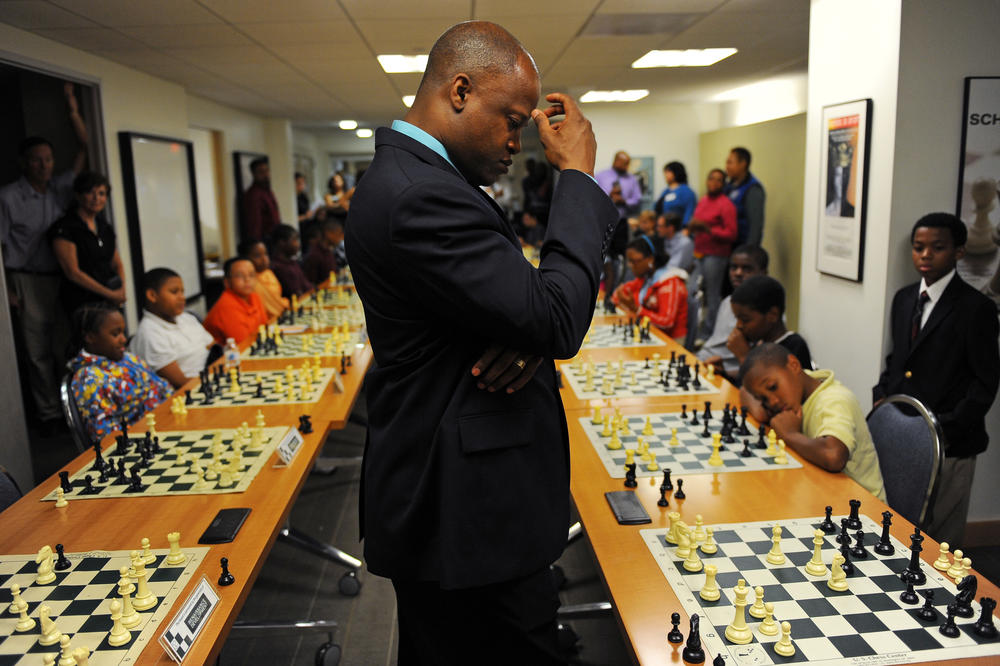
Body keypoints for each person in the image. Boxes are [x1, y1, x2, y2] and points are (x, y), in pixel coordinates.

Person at [344, 20, 618, 665]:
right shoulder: (419, 195)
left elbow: (521, 310)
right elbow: (554, 316)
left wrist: (526, 331)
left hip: (467, 501)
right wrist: (577, 178)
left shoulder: (425, 182)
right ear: (460, 90)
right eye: (511, 120)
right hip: (464, 510)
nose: (517, 143)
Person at [873, 212, 999, 546]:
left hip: (950, 441)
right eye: (918, 247)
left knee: (940, 535)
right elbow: (898, 358)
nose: (925, 255)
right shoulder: (903, 298)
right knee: (897, 521)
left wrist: (949, 424)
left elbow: (985, 381)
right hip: (901, 432)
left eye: (937, 247)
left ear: (959, 251)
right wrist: (883, 394)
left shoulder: (976, 308)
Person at [0, 82, 88, 431]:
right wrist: (7, 290)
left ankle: (70, 409)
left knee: (62, 345)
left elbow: (84, 147)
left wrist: (72, 107)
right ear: (24, 162)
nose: (43, 165)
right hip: (27, 279)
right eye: (36, 160)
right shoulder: (8, 197)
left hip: (62, 278)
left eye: (48, 159)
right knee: (36, 351)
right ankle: (49, 414)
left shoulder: (60, 188)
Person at [741, 343, 886, 501]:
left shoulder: (834, 400)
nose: (772, 402)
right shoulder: (800, 384)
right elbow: (744, 392)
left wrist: (789, 434)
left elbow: (833, 456)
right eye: (763, 399)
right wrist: (762, 410)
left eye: (773, 387)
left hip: (862, 509)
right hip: (822, 492)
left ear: (794, 365)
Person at [68, 302, 171, 442]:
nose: (123, 339)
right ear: (90, 337)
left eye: (123, 332)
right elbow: (107, 436)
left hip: (168, 422)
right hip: (145, 442)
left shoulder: (128, 358)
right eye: (115, 334)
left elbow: (163, 388)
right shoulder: (88, 379)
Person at [49, 171, 125, 315]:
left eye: (102, 193)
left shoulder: (104, 227)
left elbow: (116, 263)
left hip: (111, 298)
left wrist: (121, 290)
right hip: (83, 301)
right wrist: (109, 294)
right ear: (78, 195)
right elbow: (73, 272)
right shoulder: (65, 227)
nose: (96, 198)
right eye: (90, 192)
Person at [129, 268, 215, 389]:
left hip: (210, 376)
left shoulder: (186, 318)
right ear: (152, 296)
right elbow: (181, 383)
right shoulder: (150, 334)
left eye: (182, 292)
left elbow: (213, 347)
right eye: (174, 292)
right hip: (193, 390)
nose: (182, 298)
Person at [698, 245, 769, 376]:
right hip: (705, 361)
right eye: (734, 267)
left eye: (746, 269)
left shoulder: (766, 313)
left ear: (763, 273)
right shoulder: (727, 301)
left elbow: (760, 368)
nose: (738, 273)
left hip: (728, 374)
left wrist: (725, 373)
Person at [687, 168, 737, 345]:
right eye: (711, 179)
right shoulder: (703, 201)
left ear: (723, 184)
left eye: (718, 180)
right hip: (699, 252)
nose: (714, 183)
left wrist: (709, 229)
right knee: (691, 291)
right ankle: (692, 333)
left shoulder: (726, 204)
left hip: (716, 255)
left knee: (712, 295)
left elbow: (731, 233)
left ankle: (709, 335)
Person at [728, 275, 812, 371]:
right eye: (737, 318)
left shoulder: (794, 346)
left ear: (772, 315)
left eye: (745, 319)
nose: (738, 325)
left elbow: (766, 383)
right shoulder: (760, 342)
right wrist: (724, 373)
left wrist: (744, 357)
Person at [612, 236, 688, 340]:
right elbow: (618, 295)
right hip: (650, 333)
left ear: (650, 259)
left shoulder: (670, 283)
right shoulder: (647, 277)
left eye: (634, 261)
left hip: (670, 341)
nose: (630, 266)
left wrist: (636, 309)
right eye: (629, 261)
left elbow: (666, 322)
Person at [596, 150, 641, 309]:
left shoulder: (632, 179)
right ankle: (601, 295)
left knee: (620, 260)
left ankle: (617, 294)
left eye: (627, 163)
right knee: (602, 258)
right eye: (623, 162)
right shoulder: (601, 176)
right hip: (602, 222)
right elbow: (593, 195)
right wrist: (609, 195)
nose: (625, 166)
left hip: (621, 224)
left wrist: (624, 200)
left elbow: (637, 201)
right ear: (615, 160)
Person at [202, 257, 269, 345]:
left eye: (251, 275)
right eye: (240, 275)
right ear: (227, 282)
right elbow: (242, 343)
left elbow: (265, 328)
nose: (247, 280)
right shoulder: (226, 306)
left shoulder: (254, 296)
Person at [724, 146, 765, 246]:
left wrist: (748, 252)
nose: (727, 167)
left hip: (742, 247)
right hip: (727, 245)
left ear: (743, 164)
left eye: (730, 163)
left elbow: (755, 227)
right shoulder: (729, 186)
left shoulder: (753, 189)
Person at [239, 239, 288, 319]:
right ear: (245, 259)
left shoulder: (268, 273)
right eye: (257, 256)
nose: (264, 259)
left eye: (265, 254)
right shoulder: (249, 283)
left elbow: (278, 299)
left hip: (281, 314)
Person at [241, 156, 280, 242]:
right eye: (261, 172)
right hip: (265, 240)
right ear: (254, 174)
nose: (266, 175)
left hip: (275, 238)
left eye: (267, 171)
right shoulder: (253, 194)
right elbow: (254, 225)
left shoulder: (267, 191)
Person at [268, 224, 313, 297]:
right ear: (281, 242)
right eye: (294, 240)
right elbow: (296, 294)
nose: (298, 244)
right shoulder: (277, 267)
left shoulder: (292, 263)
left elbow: (307, 286)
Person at [303, 217, 346, 285]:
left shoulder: (329, 250)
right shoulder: (315, 255)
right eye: (339, 233)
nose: (341, 237)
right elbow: (311, 282)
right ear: (328, 233)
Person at [653, 161, 697, 227]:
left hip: (678, 230)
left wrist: (686, 228)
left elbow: (689, 212)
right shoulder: (666, 191)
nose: (665, 175)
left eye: (668, 172)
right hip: (663, 229)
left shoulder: (687, 192)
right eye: (665, 172)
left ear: (676, 172)